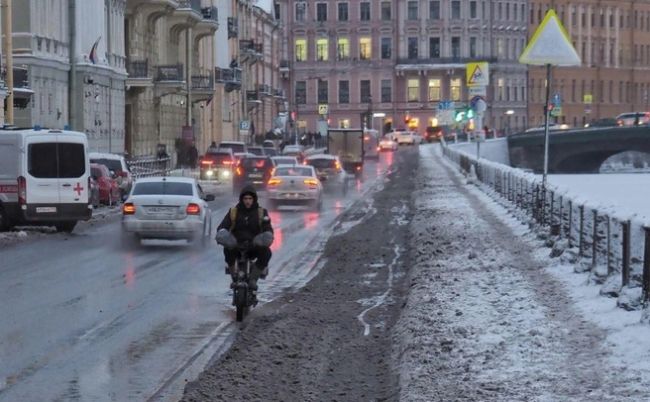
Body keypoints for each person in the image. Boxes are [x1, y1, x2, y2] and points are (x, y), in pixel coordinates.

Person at [216, 185, 273, 300]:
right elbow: (223, 227)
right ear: (242, 199)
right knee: (227, 250)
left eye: (250, 199)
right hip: (236, 246)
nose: (247, 201)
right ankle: (234, 277)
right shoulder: (233, 212)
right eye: (245, 199)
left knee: (266, 253)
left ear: (254, 199)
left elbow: (268, 229)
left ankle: (253, 279)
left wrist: (264, 238)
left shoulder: (261, 212)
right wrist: (224, 237)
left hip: (254, 247)